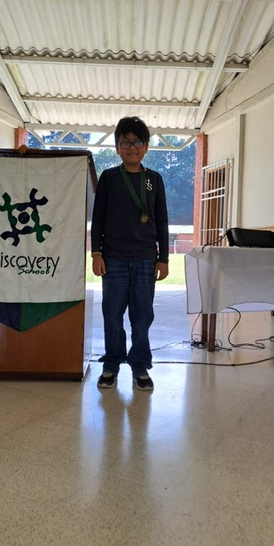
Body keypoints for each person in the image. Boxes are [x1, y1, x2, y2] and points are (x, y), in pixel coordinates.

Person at [91, 116, 169, 391]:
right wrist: (96, 253)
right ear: (117, 147)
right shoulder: (109, 177)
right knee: (112, 314)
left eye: (137, 143)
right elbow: (98, 218)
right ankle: (111, 364)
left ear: (146, 147)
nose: (131, 148)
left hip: (146, 257)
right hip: (113, 258)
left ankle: (140, 366)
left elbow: (162, 221)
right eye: (125, 142)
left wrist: (163, 258)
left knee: (142, 315)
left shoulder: (154, 179)